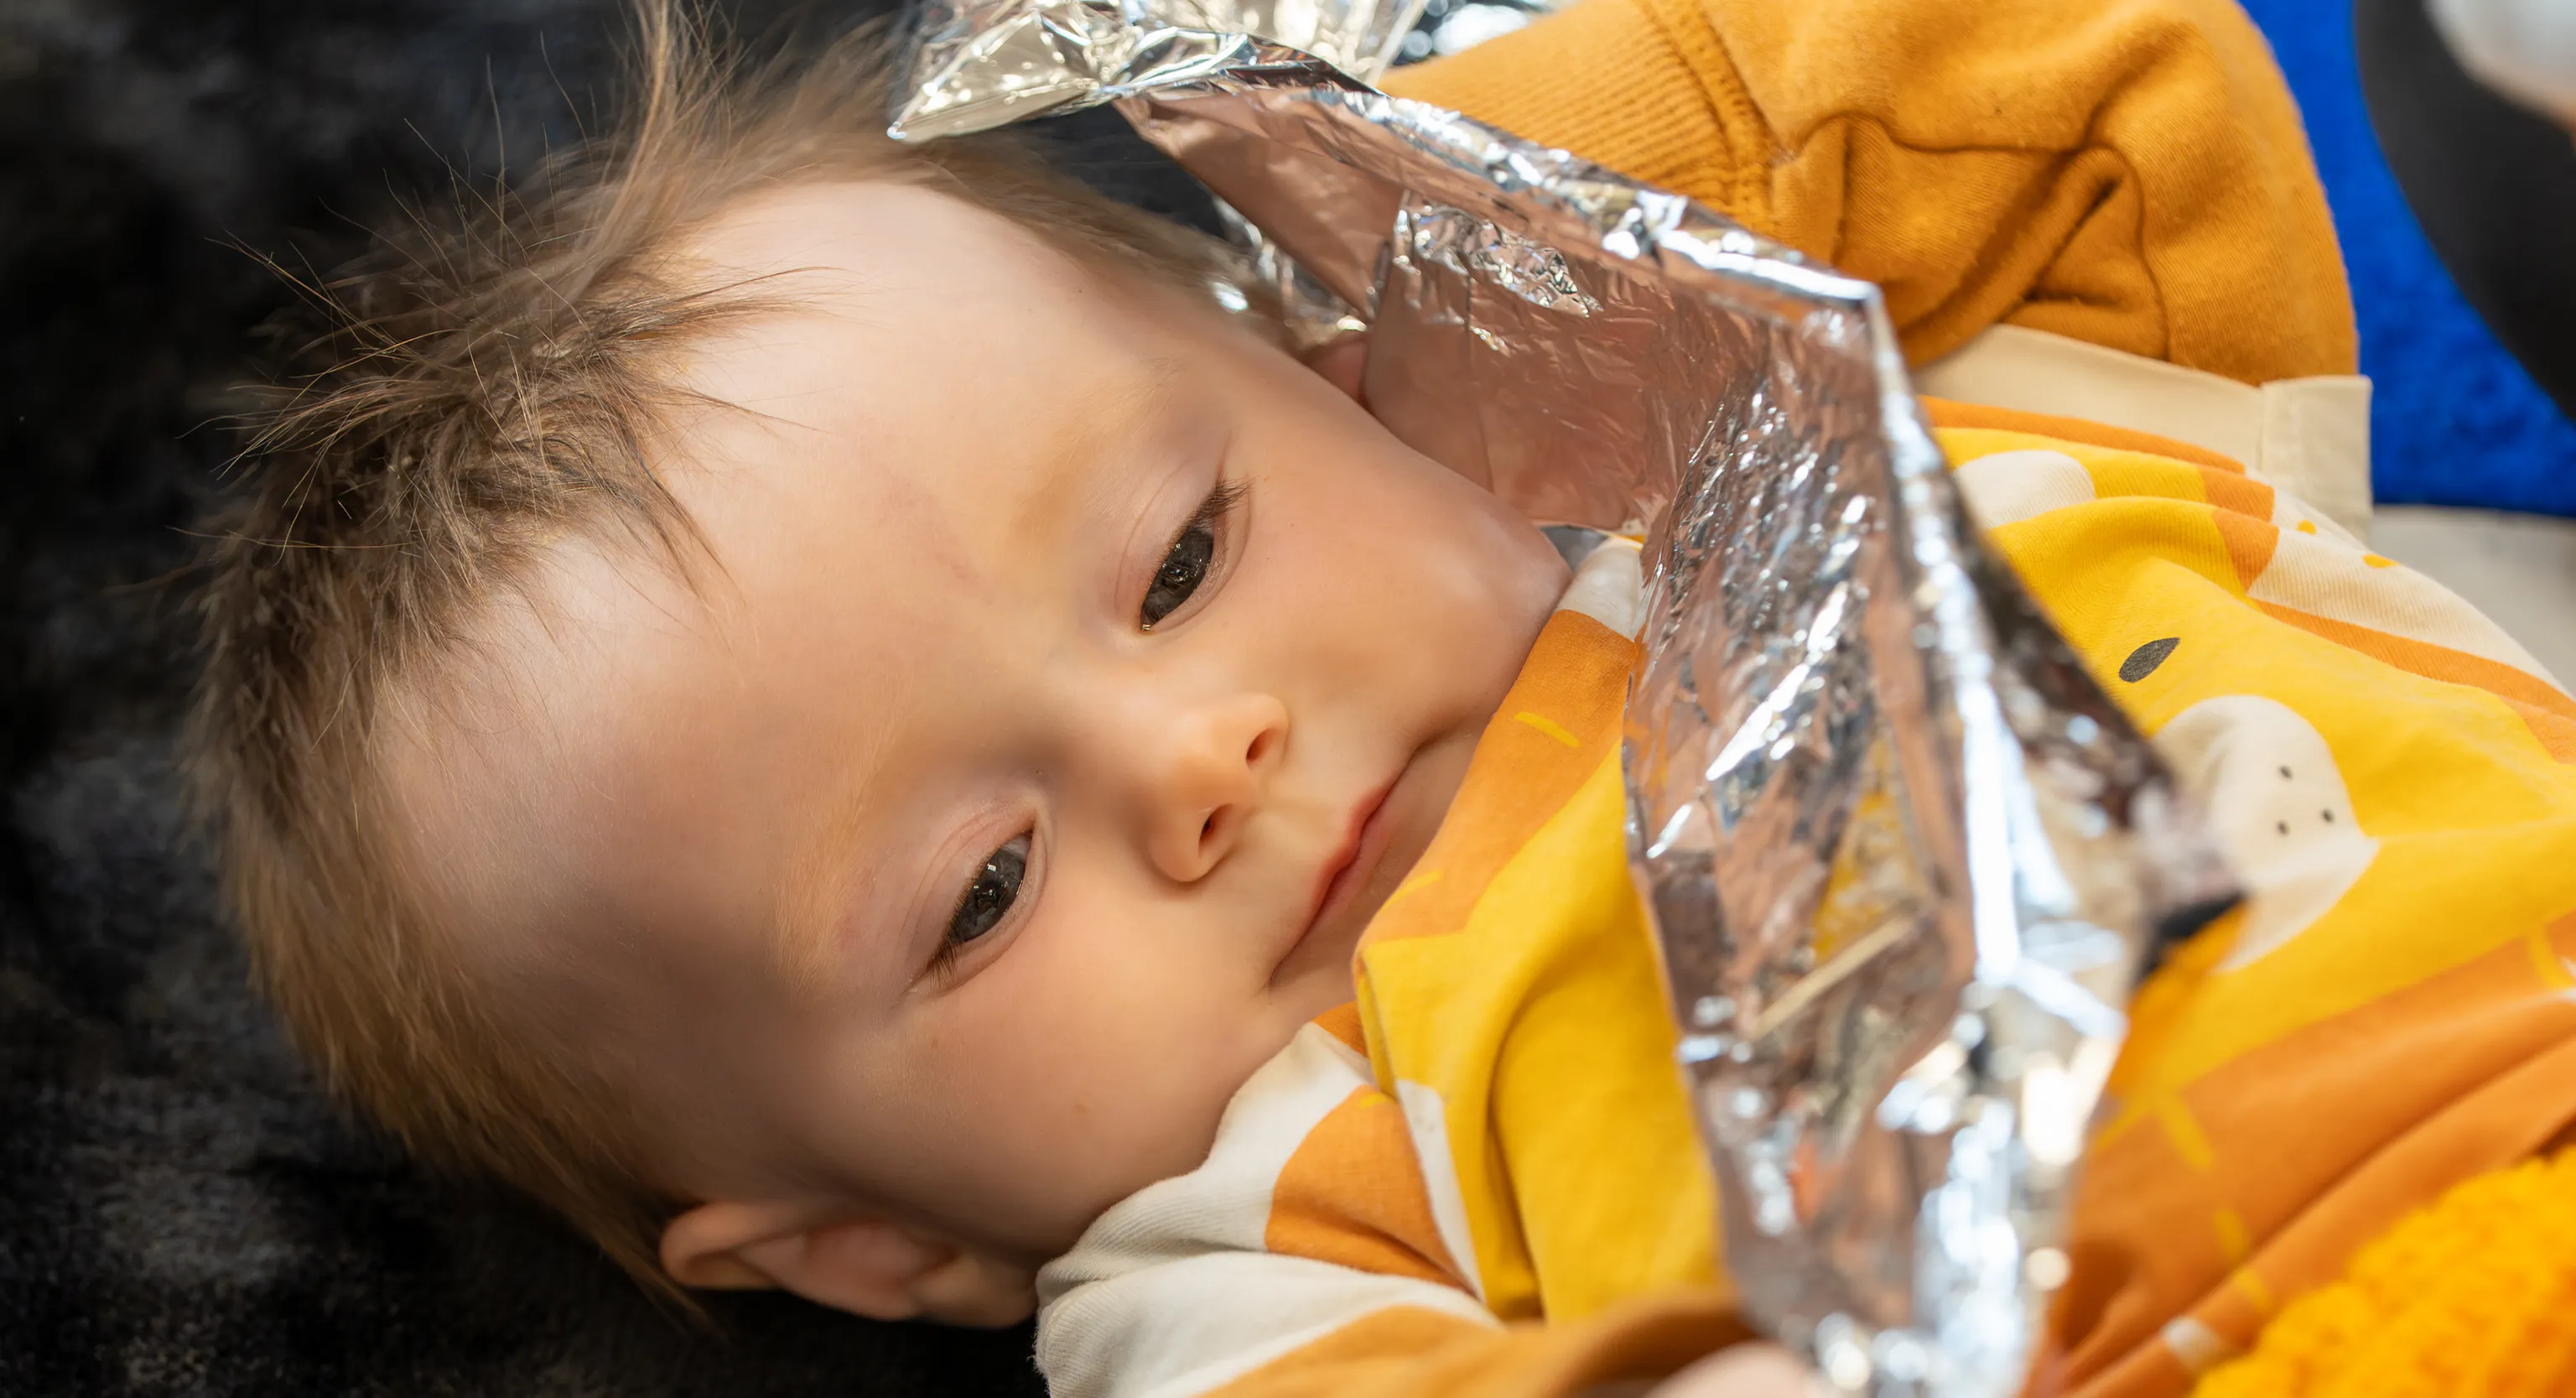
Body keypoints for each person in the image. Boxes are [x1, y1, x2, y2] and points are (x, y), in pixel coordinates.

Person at [189, 0, 2576, 1395]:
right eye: (983, 892)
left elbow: (2088, 96)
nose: (1194, 759)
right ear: (865, 1248)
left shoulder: (1854, 425)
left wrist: (1503, 225)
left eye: (1187, 557)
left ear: (1347, 379)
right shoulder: (1241, 1242)